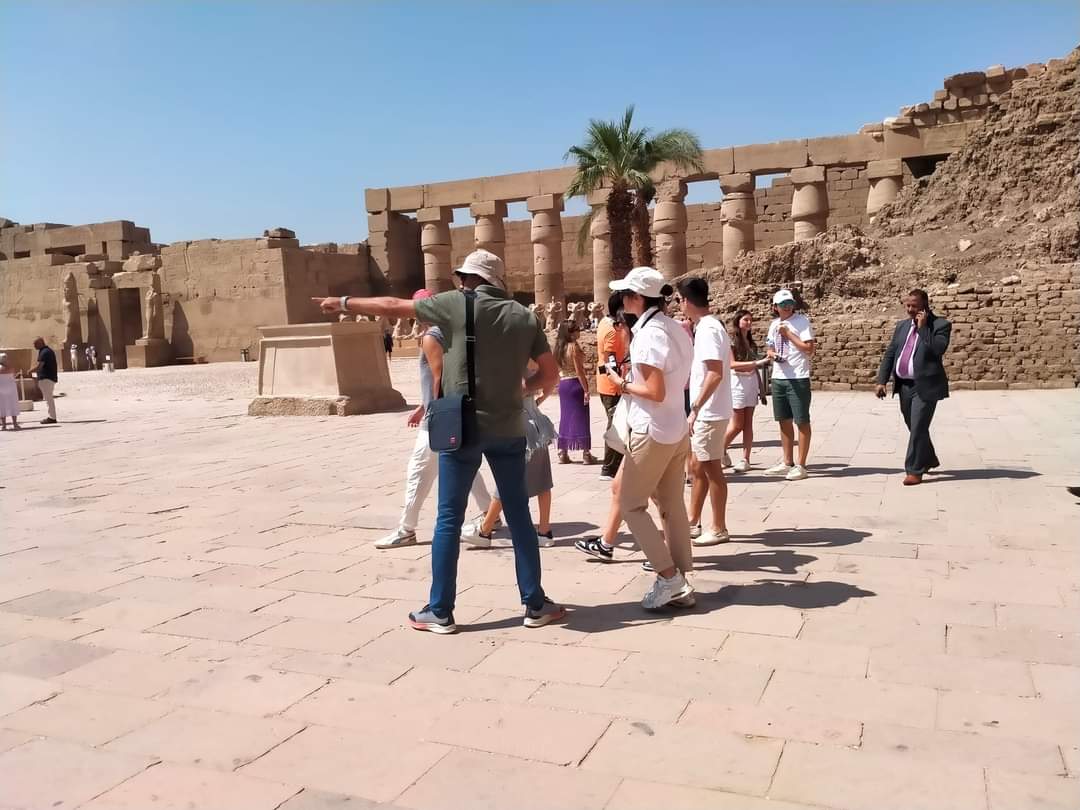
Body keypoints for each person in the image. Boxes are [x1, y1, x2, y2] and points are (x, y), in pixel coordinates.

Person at [314, 249, 564, 633]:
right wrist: (521, 391)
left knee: (448, 519)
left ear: (468, 279)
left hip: (461, 428)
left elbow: (392, 306)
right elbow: (550, 375)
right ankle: (535, 604)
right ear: (497, 281)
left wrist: (344, 302)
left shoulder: (455, 304)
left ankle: (440, 610)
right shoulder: (523, 315)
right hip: (508, 429)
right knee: (518, 517)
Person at [603, 267, 696, 610]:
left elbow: (654, 391)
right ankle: (681, 581)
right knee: (672, 506)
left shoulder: (649, 335)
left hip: (653, 429)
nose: (622, 301)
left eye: (626, 295)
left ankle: (669, 577)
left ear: (637, 298)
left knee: (630, 504)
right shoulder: (674, 328)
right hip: (675, 427)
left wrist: (621, 383)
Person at [376, 289, 495, 549]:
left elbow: (441, 378)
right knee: (464, 467)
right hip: (449, 413)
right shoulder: (449, 331)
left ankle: (406, 529)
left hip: (440, 418)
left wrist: (434, 411)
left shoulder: (434, 335)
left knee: (418, 471)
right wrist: (423, 405)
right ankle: (490, 513)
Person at [464, 382, 556, 547]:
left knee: (507, 479)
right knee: (542, 480)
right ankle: (544, 531)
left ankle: (485, 530)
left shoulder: (515, 367)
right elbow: (551, 379)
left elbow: (516, 390)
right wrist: (537, 400)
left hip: (519, 427)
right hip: (536, 424)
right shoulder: (533, 365)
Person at [875, 288, 952, 486]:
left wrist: (923, 328)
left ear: (924, 306)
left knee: (918, 426)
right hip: (904, 386)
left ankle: (914, 470)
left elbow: (938, 349)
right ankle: (929, 458)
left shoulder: (940, 325)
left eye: (914, 306)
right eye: (907, 305)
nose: (910, 309)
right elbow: (891, 353)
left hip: (925, 386)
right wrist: (882, 381)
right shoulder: (902, 326)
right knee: (914, 426)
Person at [678, 277, 733, 547]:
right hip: (709, 410)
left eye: (679, 300)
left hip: (709, 411)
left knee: (711, 469)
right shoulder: (706, 327)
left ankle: (719, 527)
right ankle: (692, 521)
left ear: (687, 301)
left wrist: (696, 407)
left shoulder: (709, 330)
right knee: (697, 466)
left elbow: (714, 373)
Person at [764, 290, 814, 480]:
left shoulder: (801, 322)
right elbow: (770, 346)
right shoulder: (774, 324)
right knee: (783, 420)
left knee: (801, 420)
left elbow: (809, 349)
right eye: (783, 304)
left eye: (790, 303)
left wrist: (789, 334)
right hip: (779, 376)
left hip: (797, 377)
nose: (787, 307)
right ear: (775, 307)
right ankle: (787, 462)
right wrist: (771, 353)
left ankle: (801, 465)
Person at [725, 309, 771, 472]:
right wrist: (756, 364)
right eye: (746, 320)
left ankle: (746, 458)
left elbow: (755, 367)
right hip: (737, 382)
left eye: (751, 320)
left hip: (751, 382)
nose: (749, 323)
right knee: (737, 424)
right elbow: (732, 364)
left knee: (748, 424)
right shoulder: (731, 341)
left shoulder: (751, 342)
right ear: (738, 322)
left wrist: (761, 389)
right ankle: (719, 449)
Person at [595, 293, 632, 481]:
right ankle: (608, 468)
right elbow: (609, 356)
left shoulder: (604, 322)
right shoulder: (612, 329)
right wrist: (619, 379)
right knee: (616, 426)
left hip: (606, 381)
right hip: (612, 384)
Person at [554, 320, 596, 465]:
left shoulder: (559, 348)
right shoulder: (573, 347)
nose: (579, 331)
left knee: (565, 417)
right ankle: (586, 453)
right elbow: (579, 371)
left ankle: (563, 451)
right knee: (581, 417)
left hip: (564, 384)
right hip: (575, 384)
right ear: (571, 333)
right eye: (577, 329)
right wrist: (586, 389)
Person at [31, 337, 58, 424]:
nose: (34, 346)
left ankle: (52, 417)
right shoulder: (45, 351)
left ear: (40, 343)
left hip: (46, 378)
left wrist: (29, 371)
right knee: (48, 398)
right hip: (49, 378)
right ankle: (52, 416)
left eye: (35, 344)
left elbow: (40, 366)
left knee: (48, 398)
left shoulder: (45, 352)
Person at [0, 353, 22, 431]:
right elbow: (12, 377)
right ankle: (15, 424)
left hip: (1, 389)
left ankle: (4, 425)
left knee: (2, 406)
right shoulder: (11, 368)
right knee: (13, 405)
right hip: (11, 389)